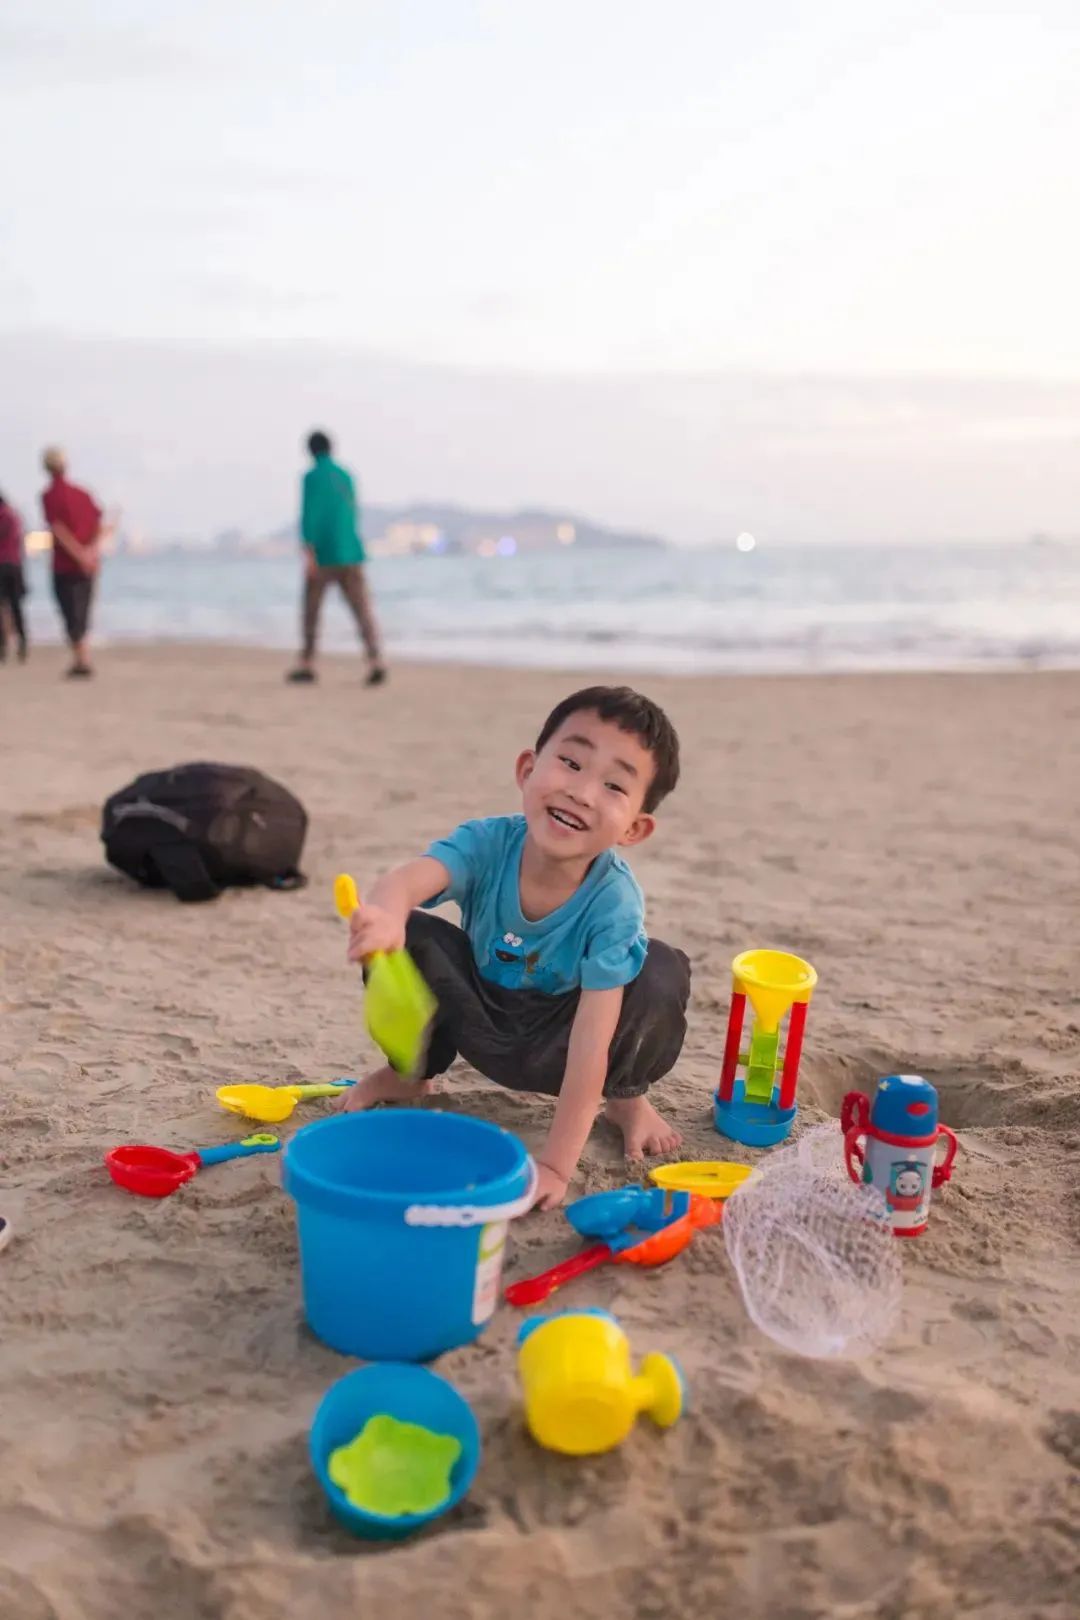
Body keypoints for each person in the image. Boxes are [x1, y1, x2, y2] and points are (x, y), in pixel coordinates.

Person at [341, 685, 690, 1210]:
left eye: (614, 786)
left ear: (636, 828)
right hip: (480, 1019)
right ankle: (409, 1073)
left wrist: (554, 1165)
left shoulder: (613, 902)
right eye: (571, 762)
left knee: (659, 969)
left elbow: (592, 1046)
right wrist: (386, 919)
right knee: (409, 932)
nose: (582, 792)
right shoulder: (488, 843)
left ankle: (624, 1098)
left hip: (561, 1043)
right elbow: (407, 879)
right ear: (528, 769)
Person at [287, 430, 386, 687]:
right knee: (361, 609)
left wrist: (308, 551)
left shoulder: (311, 478)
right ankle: (375, 660)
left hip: (322, 555)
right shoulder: (346, 476)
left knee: (311, 610)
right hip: (350, 552)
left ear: (310, 451)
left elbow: (309, 515)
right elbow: (351, 512)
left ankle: (307, 663)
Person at [40, 447, 104, 678]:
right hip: (87, 563)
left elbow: (57, 529)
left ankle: (82, 660)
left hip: (67, 565)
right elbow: (98, 525)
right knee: (82, 612)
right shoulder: (83, 494)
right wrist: (91, 553)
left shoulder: (49, 496)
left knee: (70, 612)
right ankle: (81, 659)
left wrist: (81, 555)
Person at [0, 491, 28, 665]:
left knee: (1, 606)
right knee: (17, 606)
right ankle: (22, 641)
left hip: (1, 565)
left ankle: (2, 644)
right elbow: (20, 543)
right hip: (15, 565)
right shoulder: (14, 517)